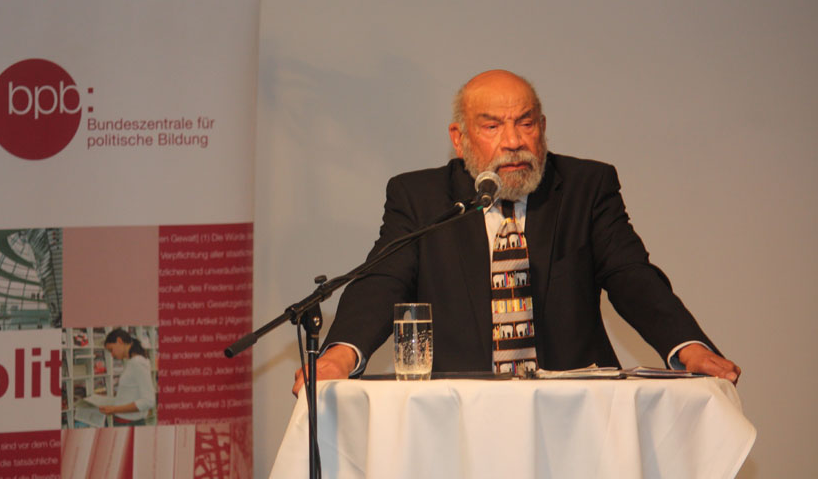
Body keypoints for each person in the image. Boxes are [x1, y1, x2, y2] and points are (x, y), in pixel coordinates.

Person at [293, 69, 739, 395]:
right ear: (459, 138)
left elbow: (631, 276)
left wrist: (688, 348)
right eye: (492, 126)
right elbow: (382, 281)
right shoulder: (420, 197)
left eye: (525, 123)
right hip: (457, 407)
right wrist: (339, 355)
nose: (513, 141)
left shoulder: (585, 187)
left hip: (575, 406)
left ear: (541, 129)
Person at [98, 328, 156, 426]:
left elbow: (148, 401)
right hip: (125, 422)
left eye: (111, 350)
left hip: (130, 423)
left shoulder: (138, 363)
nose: (112, 355)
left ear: (119, 341)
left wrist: (114, 409)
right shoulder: (131, 362)